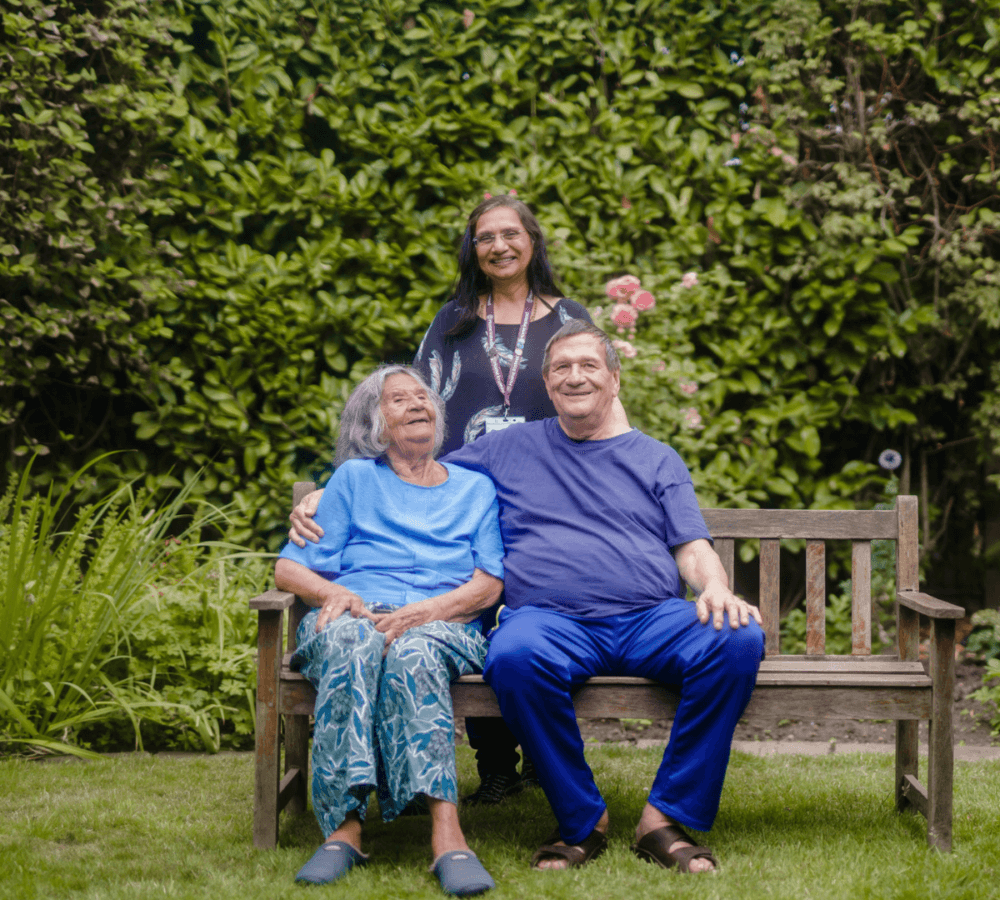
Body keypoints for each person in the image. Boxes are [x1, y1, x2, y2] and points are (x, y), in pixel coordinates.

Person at [291, 194, 628, 805]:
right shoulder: (452, 319)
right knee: (465, 604)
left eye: (510, 234)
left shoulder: (569, 319)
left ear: (532, 240)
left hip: (543, 489)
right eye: (484, 238)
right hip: (461, 486)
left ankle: (538, 751)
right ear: (473, 250)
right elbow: (404, 405)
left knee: (528, 606)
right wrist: (334, 485)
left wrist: (620, 471)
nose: (499, 246)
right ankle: (494, 763)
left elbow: (603, 402)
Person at [441, 319, 765, 873]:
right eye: (562, 368)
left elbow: (691, 545)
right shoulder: (504, 449)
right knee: (512, 657)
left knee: (737, 639)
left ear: (613, 380)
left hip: (649, 619)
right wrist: (331, 493)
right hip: (548, 621)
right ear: (546, 385)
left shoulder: (657, 458)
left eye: (589, 365)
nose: (575, 377)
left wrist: (715, 586)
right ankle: (581, 820)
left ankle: (664, 817)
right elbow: (417, 479)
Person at [275, 365, 503, 895]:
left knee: (414, 651)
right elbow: (289, 569)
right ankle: (344, 829)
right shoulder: (354, 480)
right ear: (374, 421)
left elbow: (490, 583)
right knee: (354, 643)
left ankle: (447, 833)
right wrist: (335, 593)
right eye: (399, 399)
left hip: (442, 619)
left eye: (423, 396)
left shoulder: (475, 488)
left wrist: (429, 612)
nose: (418, 404)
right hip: (353, 612)